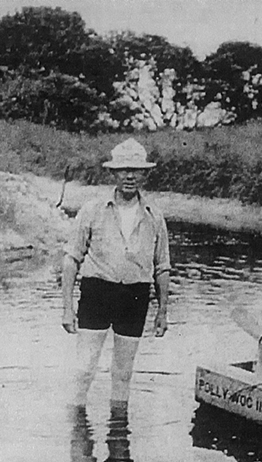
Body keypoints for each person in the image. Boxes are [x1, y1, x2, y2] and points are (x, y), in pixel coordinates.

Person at [61, 138, 170, 411]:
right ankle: (77, 433)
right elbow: (71, 259)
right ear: (113, 173)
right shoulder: (92, 210)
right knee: (84, 368)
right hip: (97, 291)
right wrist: (66, 308)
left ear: (144, 173)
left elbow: (162, 267)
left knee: (123, 373)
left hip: (135, 297)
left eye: (135, 169)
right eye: (123, 169)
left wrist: (162, 312)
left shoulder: (154, 216)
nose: (129, 175)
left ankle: (118, 437)